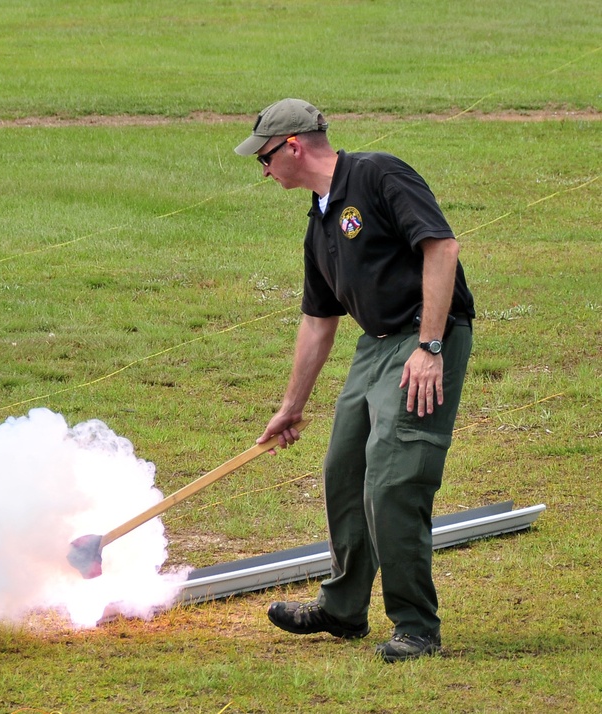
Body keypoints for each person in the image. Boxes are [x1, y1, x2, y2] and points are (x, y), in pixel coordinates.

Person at [235, 99, 475, 662]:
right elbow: (318, 321)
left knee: (394, 480)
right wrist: (291, 406)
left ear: (292, 145)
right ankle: (343, 610)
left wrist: (430, 347)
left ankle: (416, 626)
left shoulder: (377, 174)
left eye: (264, 159)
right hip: (376, 346)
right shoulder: (319, 224)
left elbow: (441, 247)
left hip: (423, 338)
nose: (264, 172)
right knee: (344, 468)